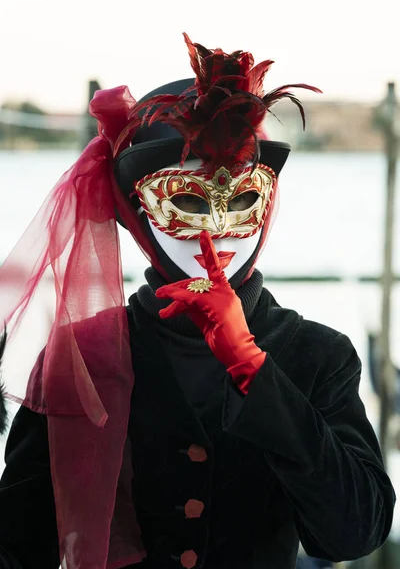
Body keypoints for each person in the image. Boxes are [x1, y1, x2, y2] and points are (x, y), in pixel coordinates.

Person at [0, 33, 396, 569]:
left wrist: (255, 369)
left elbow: (354, 535)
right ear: (139, 212)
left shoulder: (317, 356)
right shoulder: (80, 357)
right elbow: (20, 546)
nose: (217, 232)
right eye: (186, 199)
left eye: (241, 200)